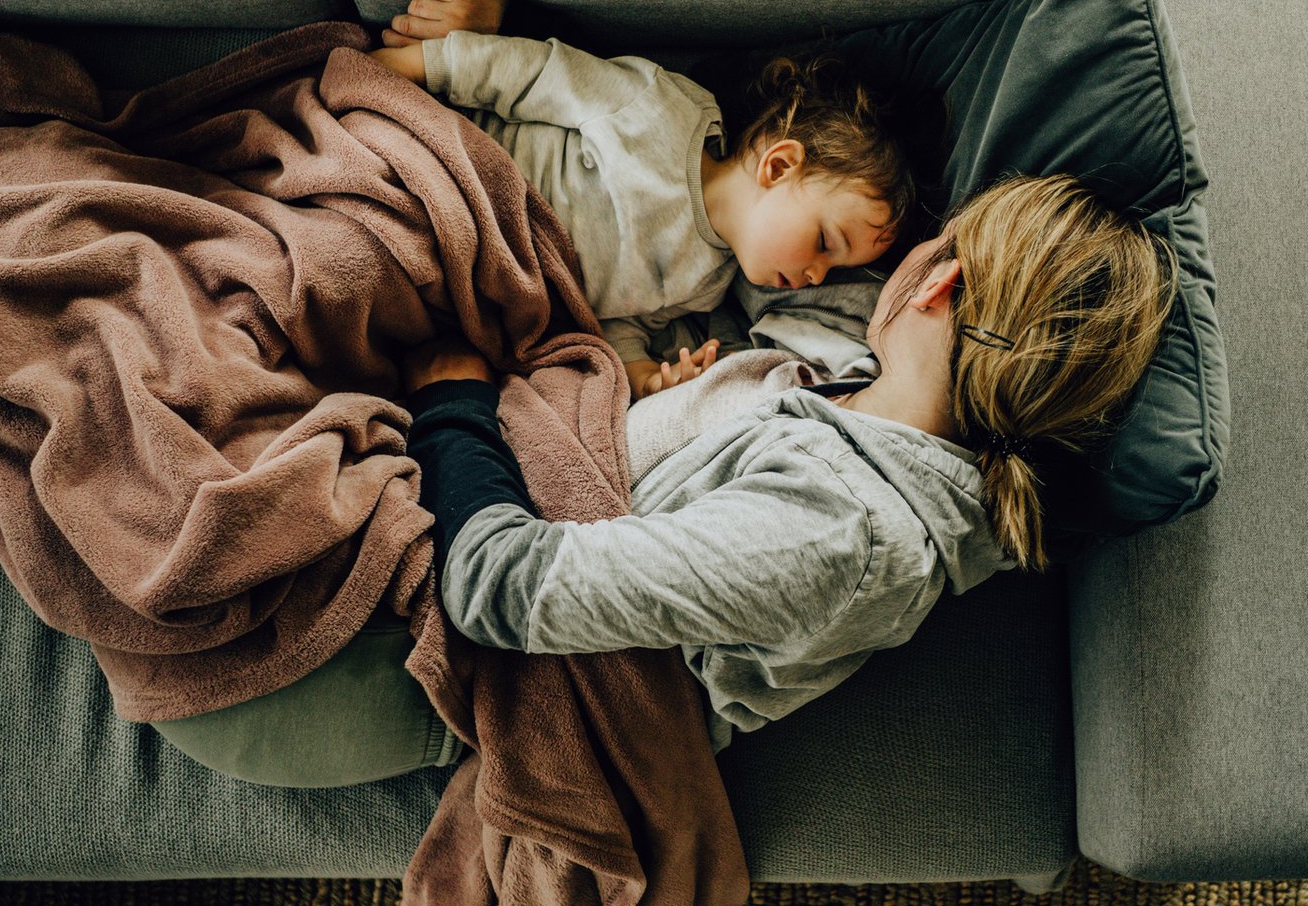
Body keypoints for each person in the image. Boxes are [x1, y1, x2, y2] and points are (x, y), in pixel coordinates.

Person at [397, 172, 1176, 755]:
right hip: (528, 442)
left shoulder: (842, 531)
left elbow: (498, 587)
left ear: (941, 281)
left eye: (932, 245)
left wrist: (453, 405)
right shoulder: (858, 368)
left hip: (461, 631)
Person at [370, 0, 921, 400]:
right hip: (453, 178)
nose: (817, 277)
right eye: (827, 241)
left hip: (487, 283)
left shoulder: (709, 282)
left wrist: (644, 376)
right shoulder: (663, 113)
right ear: (778, 166)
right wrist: (414, 68)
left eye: (831, 268)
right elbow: (534, 75)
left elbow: (614, 320)